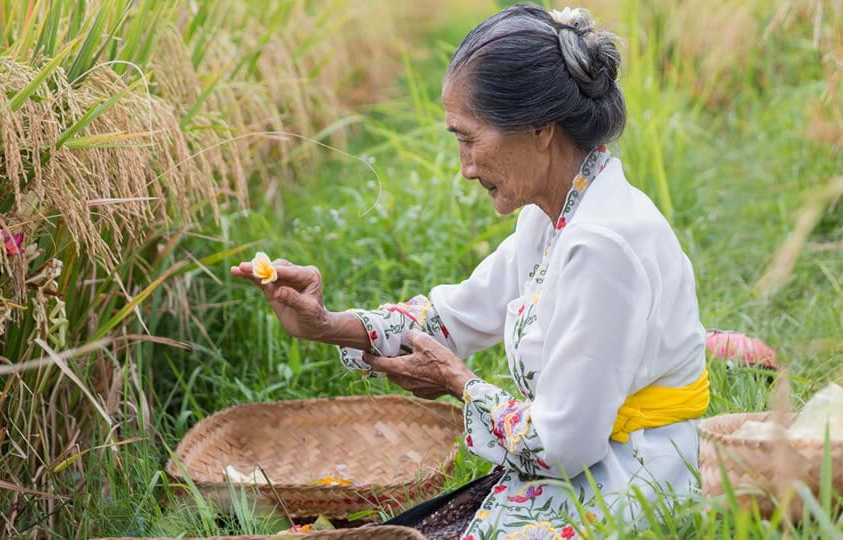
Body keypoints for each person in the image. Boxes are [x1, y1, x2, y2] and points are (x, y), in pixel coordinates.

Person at [231, 4, 707, 538]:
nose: (465, 168)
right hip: (589, 474)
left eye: (468, 138)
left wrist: (460, 383)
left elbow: (562, 446)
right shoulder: (554, 217)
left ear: (539, 129)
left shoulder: (600, 246)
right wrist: (327, 323)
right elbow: (453, 317)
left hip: (633, 484)